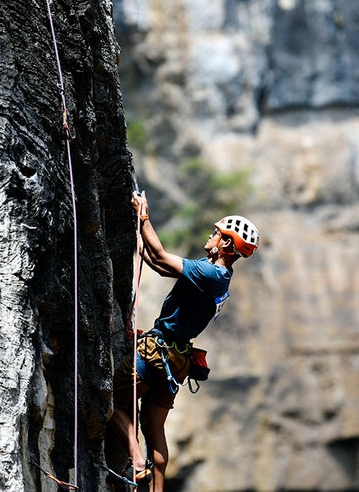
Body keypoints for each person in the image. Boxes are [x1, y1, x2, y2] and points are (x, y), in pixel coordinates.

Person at [109, 191, 260, 491]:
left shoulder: (211, 273)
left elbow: (162, 257)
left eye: (217, 233)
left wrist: (144, 217)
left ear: (227, 244)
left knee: (112, 400)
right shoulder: (218, 276)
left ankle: (137, 461)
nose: (211, 235)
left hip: (157, 353)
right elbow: (161, 265)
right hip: (177, 361)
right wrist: (142, 242)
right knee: (154, 427)